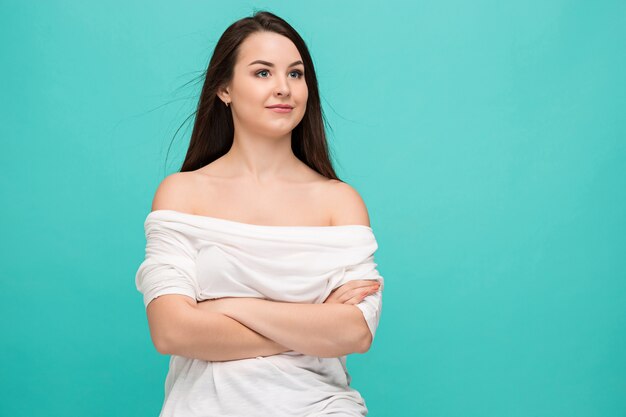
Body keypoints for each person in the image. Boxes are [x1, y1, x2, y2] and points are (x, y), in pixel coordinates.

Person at [135, 10, 384, 417]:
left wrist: (224, 308)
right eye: (263, 73)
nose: (284, 88)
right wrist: (314, 325)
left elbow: (355, 333)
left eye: (296, 74)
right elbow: (171, 331)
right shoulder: (183, 194)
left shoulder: (339, 202)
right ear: (224, 88)